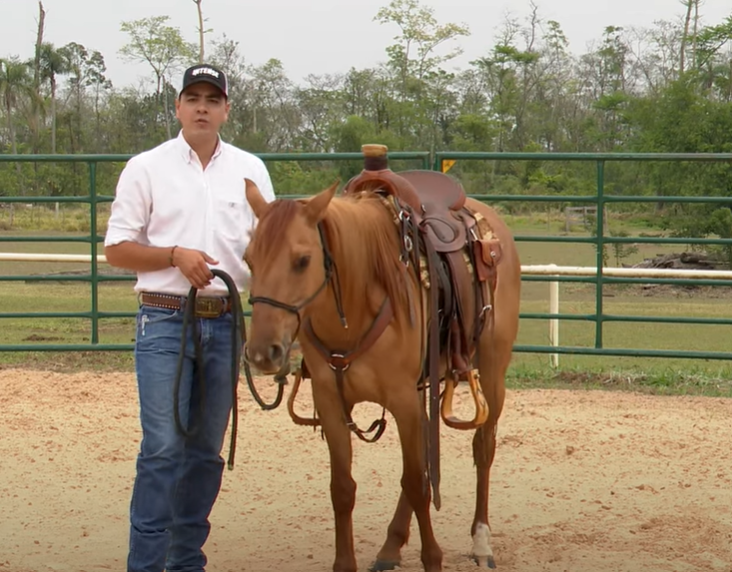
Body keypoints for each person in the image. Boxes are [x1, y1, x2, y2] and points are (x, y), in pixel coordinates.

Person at [104, 63, 275, 572]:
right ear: (178, 106)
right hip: (163, 320)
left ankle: (185, 563)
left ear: (225, 109)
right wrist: (173, 255)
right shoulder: (146, 167)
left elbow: (266, 247)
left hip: (224, 321)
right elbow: (117, 249)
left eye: (212, 99)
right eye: (192, 98)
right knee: (162, 448)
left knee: (205, 452)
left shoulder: (250, 171)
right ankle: (147, 564)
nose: (202, 107)